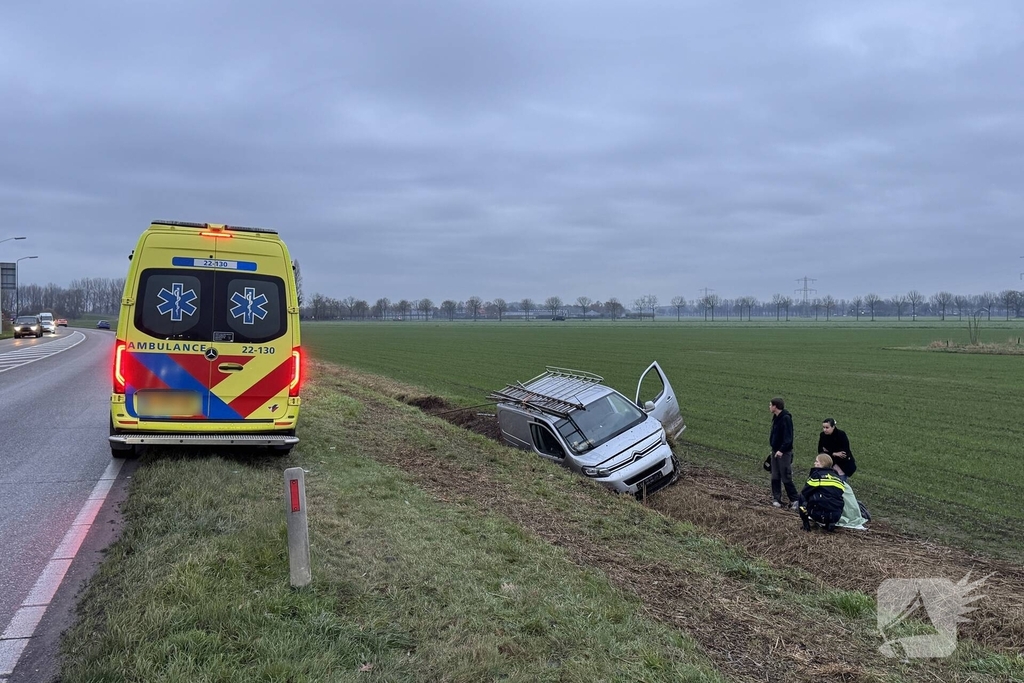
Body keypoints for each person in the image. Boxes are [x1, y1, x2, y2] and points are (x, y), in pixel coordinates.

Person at [797, 454, 847, 532]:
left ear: (822, 464)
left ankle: (806, 526)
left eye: (817, 461)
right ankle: (830, 523)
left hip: (819, 514)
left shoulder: (817, 475)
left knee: (802, 497)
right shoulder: (838, 478)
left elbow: (805, 492)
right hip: (836, 515)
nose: (814, 463)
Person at [768, 397, 799, 509]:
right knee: (775, 475)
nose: (769, 407)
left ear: (775, 406)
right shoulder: (776, 418)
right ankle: (776, 498)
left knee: (786, 476)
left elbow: (788, 437)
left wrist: (782, 450)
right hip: (775, 451)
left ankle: (795, 500)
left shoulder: (785, 418)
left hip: (784, 453)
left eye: (770, 405)